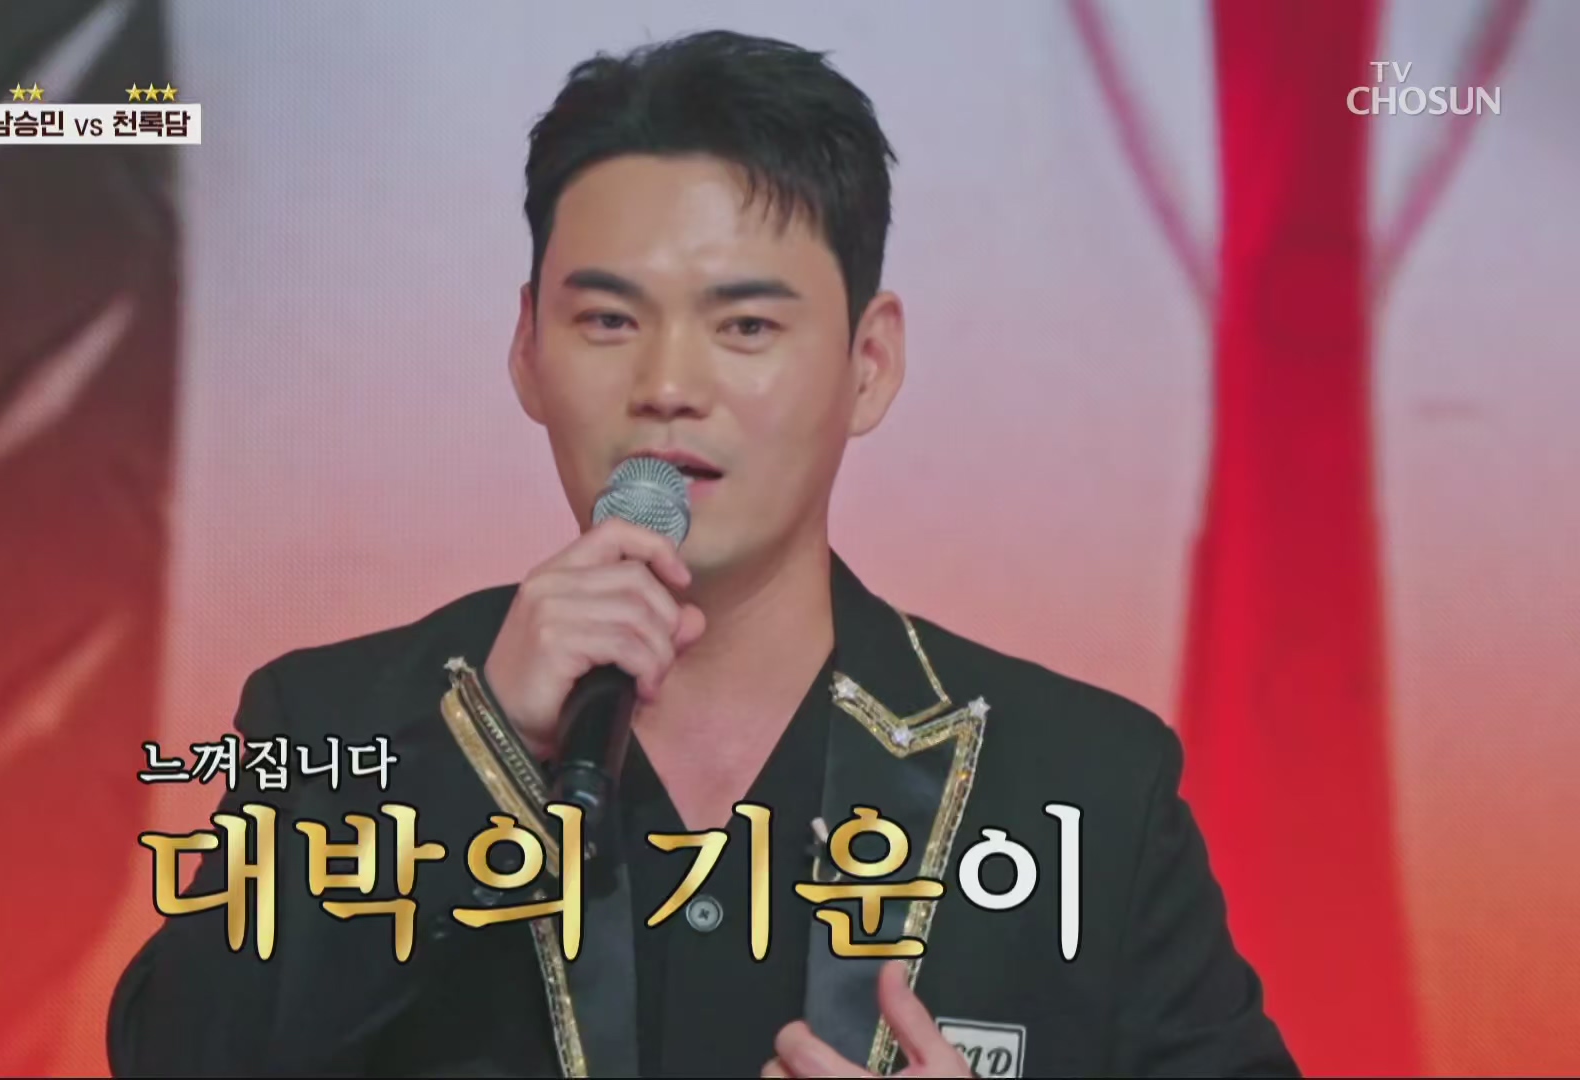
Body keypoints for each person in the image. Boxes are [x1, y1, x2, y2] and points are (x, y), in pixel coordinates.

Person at [107, 29, 1297, 1079]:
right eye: (608, 319)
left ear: (869, 364)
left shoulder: (1081, 790)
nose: (668, 385)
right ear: (526, 349)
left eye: (746, 325)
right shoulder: (334, 728)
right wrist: (476, 759)